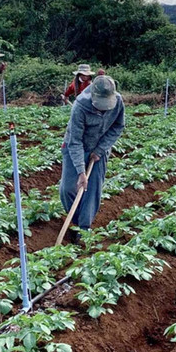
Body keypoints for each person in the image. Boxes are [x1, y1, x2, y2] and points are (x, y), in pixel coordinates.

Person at [60, 75, 125, 238]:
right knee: (67, 189)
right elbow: (75, 141)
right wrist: (81, 172)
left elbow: (118, 126)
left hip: (99, 150)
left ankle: (84, 228)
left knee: (93, 189)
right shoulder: (80, 105)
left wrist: (100, 149)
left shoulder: (118, 101)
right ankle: (74, 221)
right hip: (75, 146)